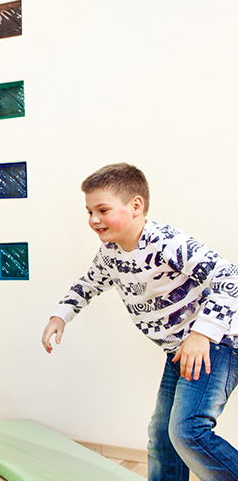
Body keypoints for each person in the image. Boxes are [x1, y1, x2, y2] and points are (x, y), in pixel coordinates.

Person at [41, 162, 238, 481]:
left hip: (216, 344)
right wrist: (59, 316)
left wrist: (203, 334)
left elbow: (229, 276)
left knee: (189, 432)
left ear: (136, 206)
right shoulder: (111, 254)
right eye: (89, 212)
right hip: (179, 350)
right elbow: (88, 284)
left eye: (102, 210)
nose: (93, 220)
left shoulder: (166, 242)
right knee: (162, 438)